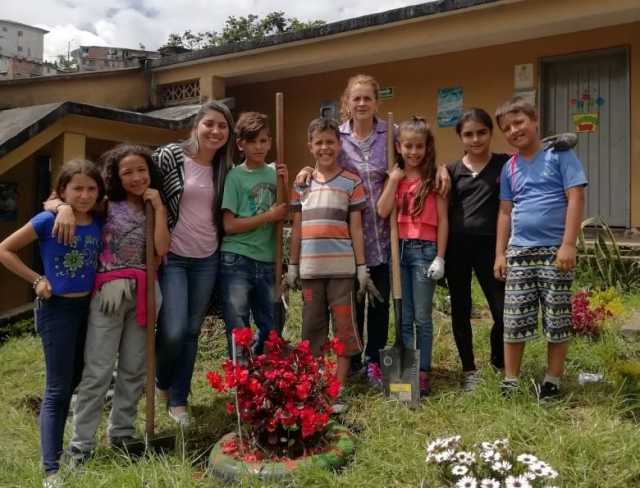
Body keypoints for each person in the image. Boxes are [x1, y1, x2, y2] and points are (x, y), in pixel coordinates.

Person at [295, 74, 450, 383]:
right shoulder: (337, 137)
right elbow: (322, 162)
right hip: (346, 236)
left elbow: (416, 153)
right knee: (350, 302)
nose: (362, 103)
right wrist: (306, 169)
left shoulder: (390, 134)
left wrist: (442, 167)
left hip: (383, 233)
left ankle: (374, 363)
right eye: (356, 98)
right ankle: (350, 360)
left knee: (379, 304)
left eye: (368, 98)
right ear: (347, 103)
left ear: (377, 101)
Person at [0, 160, 104, 488]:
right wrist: (36, 279)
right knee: (57, 387)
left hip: (89, 309)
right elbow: (5, 250)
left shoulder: (100, 218)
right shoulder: (48, 219)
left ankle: (70, 443)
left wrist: (65, 207)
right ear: (62, 190)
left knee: (76, 378)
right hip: (56, 310)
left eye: (91, 188)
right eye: (77, 189)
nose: (85, 195)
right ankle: (51, 469)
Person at [61, 145, 169, 460]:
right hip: (109, 293)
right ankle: (82, 443)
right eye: (127, 172)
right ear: (116, 177)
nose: (136, 177)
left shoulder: (153, 206)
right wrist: (63, 208)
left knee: (135, 369)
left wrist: (160, 209)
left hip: (145, 294)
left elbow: (161, 249)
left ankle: (122, 433)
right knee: (98, 368)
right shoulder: (105, 206)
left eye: (141, 170)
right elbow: (62, 201)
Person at [493, 97, 587, 399]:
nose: (513, 130)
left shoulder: (560, 155)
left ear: (535, 121)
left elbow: (575, 197)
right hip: (519, 252)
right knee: (514, 317)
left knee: (557, 318)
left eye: (519, 122)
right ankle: (511, 379)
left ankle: (552, 379)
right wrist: (500, 252)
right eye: (506, 128)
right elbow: (505, 212)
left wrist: (568, 244)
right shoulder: (510, 167)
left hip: (554, 252)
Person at [152, 101, 235, 427]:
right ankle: (161, 379)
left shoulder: (225, 168)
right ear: (196, 125)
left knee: (191, 331)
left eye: (223, 127)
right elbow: (125, 177)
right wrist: (59, 202)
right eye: (210, 124)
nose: (216, 131)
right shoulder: (169, 157)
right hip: (173, 256)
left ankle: (178, 399)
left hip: (207, 258)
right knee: (172, 329)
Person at [287, 117, 368, 400]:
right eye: (319, 142)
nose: (325, 147)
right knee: (313, 328)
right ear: (310, 146)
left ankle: (338, 386)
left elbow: (356, 227)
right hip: (310, 271)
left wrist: (361, 267)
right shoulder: (301, 184)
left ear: (340, 144)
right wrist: (293, 265)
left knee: (344, 326)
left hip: (342, 271)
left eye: (330, 142)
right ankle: (316, 384)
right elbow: (296, 227)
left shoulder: (351, 181)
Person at [377, 116, 448, 396]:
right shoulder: (395, 177)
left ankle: (423, 371)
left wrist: (440, 256)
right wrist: (393, 181)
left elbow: (443, 220)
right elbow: (382, 211)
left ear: (426, 147)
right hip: (399, 250)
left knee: (422, 317)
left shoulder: (433, 179)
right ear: (398, 146)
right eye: (408, 146)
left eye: (419, 146)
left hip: (424, 251)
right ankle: (406, 373)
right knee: (403, 318)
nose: (413, 152)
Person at [219, 112, 288, 356]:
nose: (259, 147)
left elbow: (284, 211)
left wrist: (286, 182)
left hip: (268, 259)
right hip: (237, 258)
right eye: (252, 141)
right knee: (238, 322)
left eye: (264, 141)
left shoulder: (274, 173)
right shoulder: (235, 177)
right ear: (241, 144)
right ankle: (242, 380)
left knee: (272, 321)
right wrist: (268, 216)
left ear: (270, 142)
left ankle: (264, 374)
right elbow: (229, 225)